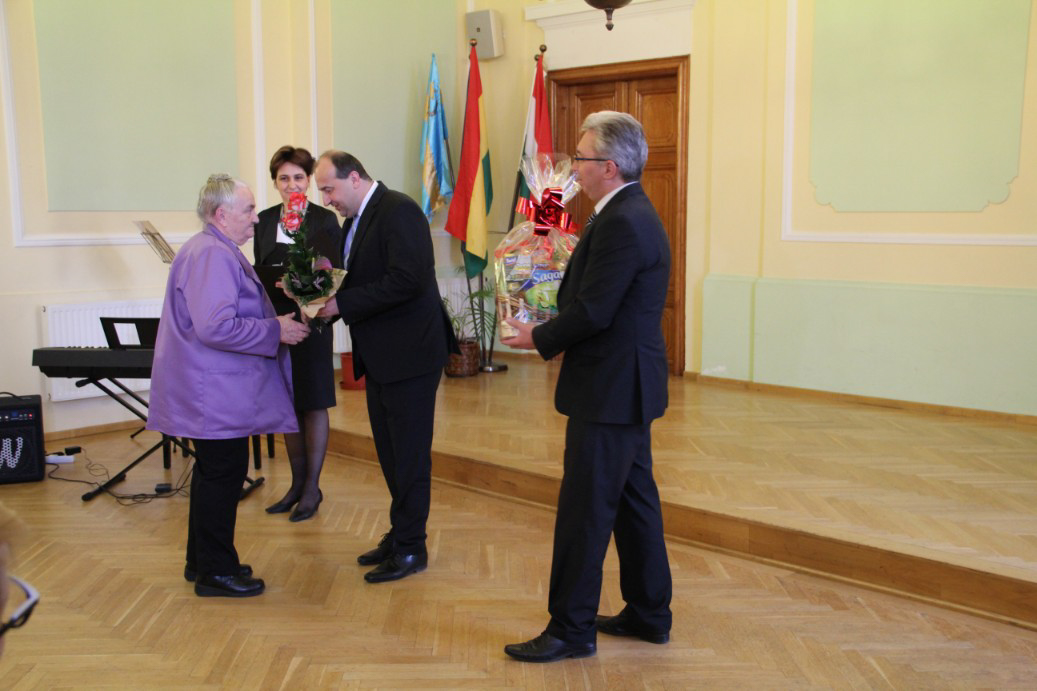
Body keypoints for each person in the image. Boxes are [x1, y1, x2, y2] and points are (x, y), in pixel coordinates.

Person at [501, 111, 673, 662]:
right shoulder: (624, 212)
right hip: (623, 387)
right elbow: (594, 295)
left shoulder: (623, 220)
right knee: (634, 503)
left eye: (581, 158)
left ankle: (571, 629)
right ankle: (649, 612)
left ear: (610, 166)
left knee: (586, 511)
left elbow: (595, 310)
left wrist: (538, 335)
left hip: (610, 390)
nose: (574, 167)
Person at [147, 174, 310, 598]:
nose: (256, 218)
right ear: (221, 215)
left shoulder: (210, 248)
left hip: (213, 389)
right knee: (223, 476)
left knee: (212, 474)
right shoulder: (212, 255)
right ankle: (216, 572)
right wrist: (275, 329)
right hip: (214, 392)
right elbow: (216, 327)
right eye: (249, 209)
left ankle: (202, 561)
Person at [314, 151, 457, 584]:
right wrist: (318, 292)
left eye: (329, 189)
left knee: (409, 457)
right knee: (391, 454)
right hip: (381, 356)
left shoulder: (399, 210)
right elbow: (361, 281)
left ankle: (412, 548)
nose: (326, 199)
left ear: (355, 178)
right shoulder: (353, 221)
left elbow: (408, 279)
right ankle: (400, 534)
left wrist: (341, 304)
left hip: (410, 355)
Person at [254, 146, 343, 522]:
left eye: (298, 177)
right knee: (287, 403)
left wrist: (307, 303)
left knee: (314, 402)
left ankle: (311, 490)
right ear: (275, 183)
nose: (291, 185)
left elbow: (334, 274)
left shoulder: (324, 219)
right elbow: (258, 272)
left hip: (313, 323)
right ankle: (295, 485)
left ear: (308, 181)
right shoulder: (263, 220)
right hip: (278, 325)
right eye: (284, 178)